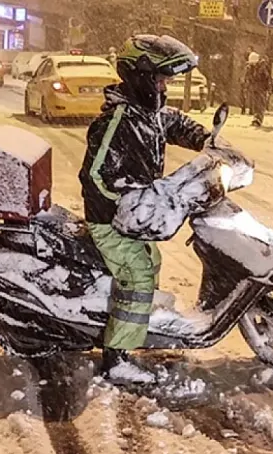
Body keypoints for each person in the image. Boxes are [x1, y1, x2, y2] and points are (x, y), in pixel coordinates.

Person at [78, 34, 210, 384]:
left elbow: (173, 123)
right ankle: (116, 358)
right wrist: (128, 199)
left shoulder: (146, 113)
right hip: (110, 219)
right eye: (161, 79)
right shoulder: (118, 121)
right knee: (137, 273)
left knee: (151, 261)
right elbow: (95, 174)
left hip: (132, 218)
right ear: (141, 77)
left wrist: (207, 141)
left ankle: (131, 322)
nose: (165, 86)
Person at [249, 53, 272, 127]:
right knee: (256, 104)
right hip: (257, 88)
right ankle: (256, 118)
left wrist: (268, 88)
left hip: (261, 88)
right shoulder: (255, 67)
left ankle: (259, 119)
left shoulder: (262, 67)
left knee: (260, 104)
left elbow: (266, 78)